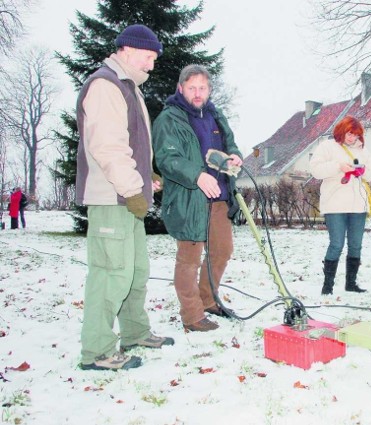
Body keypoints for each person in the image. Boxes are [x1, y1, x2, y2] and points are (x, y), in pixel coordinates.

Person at [75, 24, 173, 371]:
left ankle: (135, 332)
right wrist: (133, 189)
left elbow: (130, 146)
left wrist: (146, 177)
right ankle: (98, 351)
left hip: (127, 194)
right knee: (111, 272)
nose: (152, 64)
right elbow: (107, 147)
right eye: (148, 57)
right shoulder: (106, 85)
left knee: (135, 271)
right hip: (111, 198)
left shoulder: (128, 88)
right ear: (128, 50)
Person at [152, 64, 243, 332]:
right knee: (189, 259)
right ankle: (191, 315)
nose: (197, 92)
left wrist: (235, 154)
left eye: (202, 87)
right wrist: (197, 175)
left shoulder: (216, 115)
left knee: (222, 251)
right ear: (180, 89)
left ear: (209, 90)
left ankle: (208, 300)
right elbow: (167, 159)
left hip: (220, 196)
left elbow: (230, 144)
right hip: (189, 198)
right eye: (192, 87)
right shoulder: (170, 119)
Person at [310, 115, 371, 295]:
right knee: (336, 244)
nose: (352, 138)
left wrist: (361, 171)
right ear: (341, 131)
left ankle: (351, 283)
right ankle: (327, 286)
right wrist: (339, 166)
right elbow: (315, 170)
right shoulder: (327, 147)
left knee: (356, 245)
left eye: (355, 135)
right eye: (349, 133)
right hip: (335, 205)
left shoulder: (363, 151)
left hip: (358, 206)